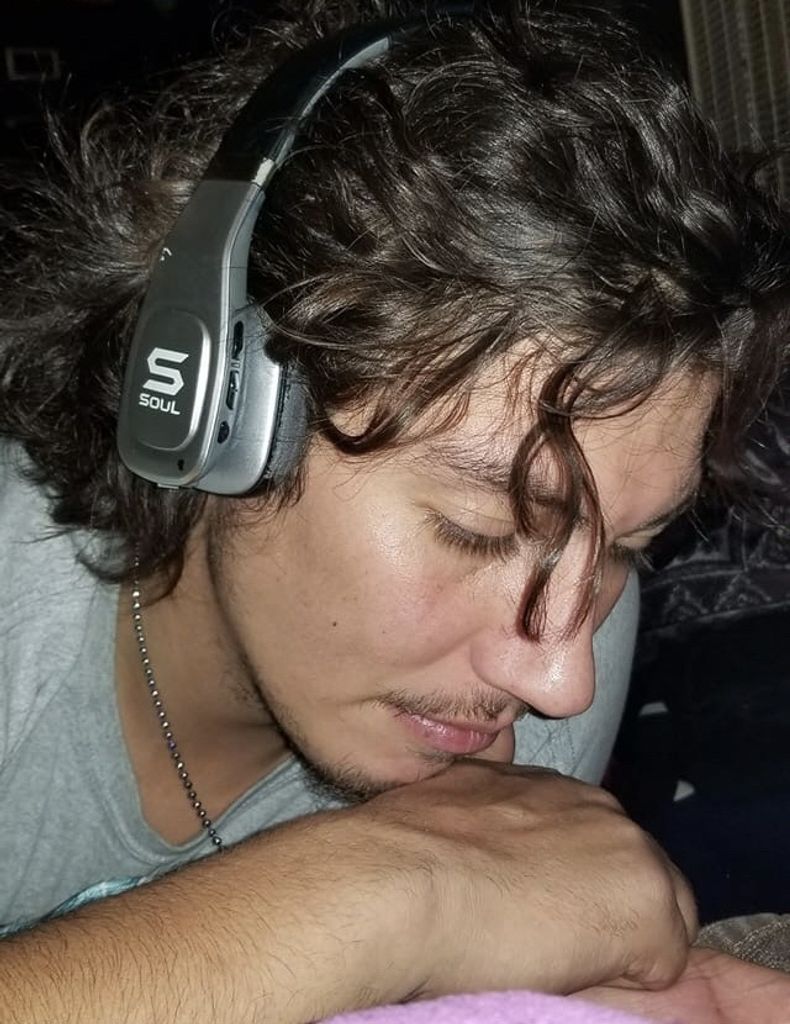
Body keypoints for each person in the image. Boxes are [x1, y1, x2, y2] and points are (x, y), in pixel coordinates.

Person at [0, 2, 788, 1021]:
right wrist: (395, 890)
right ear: (204, 402)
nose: (560, 681)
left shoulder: (549, 645)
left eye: (622, 552)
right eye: (477, 530)